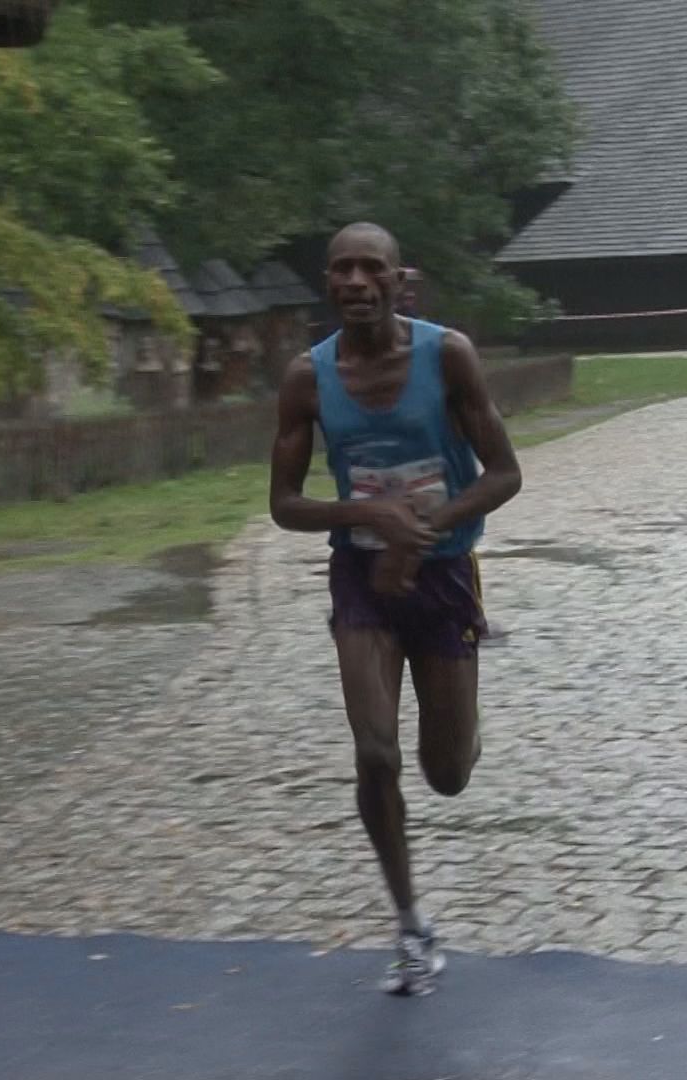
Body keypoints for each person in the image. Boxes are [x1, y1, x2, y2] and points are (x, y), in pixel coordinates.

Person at [269, 223, 522, 996]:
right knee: (375, 755)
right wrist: (369, 516)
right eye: (341, 269)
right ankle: (411, 926)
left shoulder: (447, 356)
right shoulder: (307, 379)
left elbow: (504, 473)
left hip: (443, 576)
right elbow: (283, 504)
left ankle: (462, 722)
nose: (355, 281)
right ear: (328, 283)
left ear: (397, 279)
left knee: (446, 775)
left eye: (370, 268)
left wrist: (423, 528)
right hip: (363, 580)